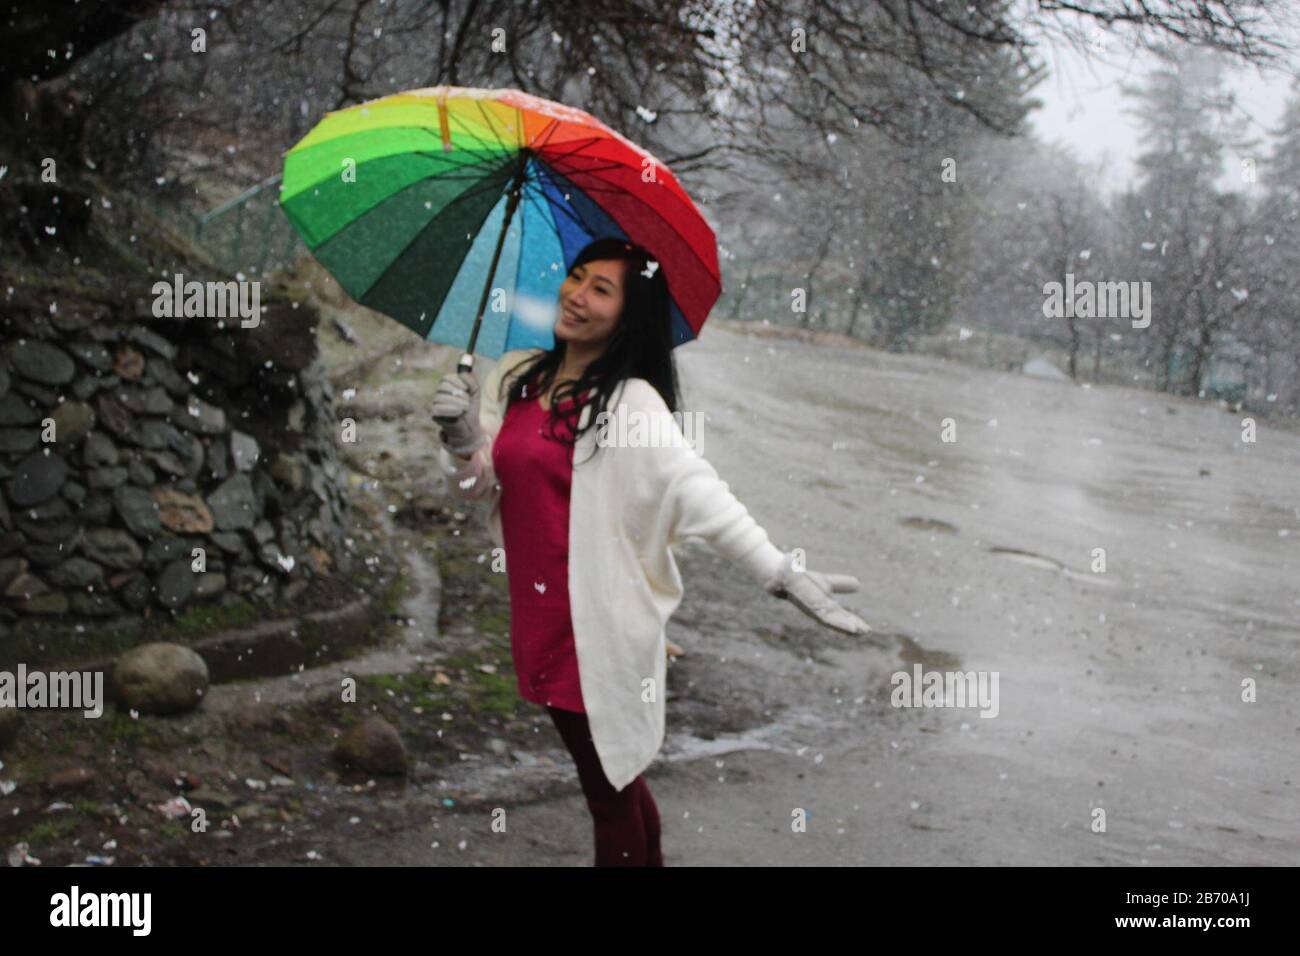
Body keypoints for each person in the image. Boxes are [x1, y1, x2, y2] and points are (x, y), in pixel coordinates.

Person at [431, 236, 869, 866]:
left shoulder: (629, 403)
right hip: (540, 621)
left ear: (627, 315)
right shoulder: (527, 381)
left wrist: (778, 570)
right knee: (618, 782)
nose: (577, 296)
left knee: (607, 793)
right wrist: (462, 439)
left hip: (596, 631)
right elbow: (482, 489)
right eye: (576, 277)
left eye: (601, 289)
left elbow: (697, 491)